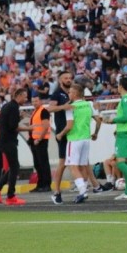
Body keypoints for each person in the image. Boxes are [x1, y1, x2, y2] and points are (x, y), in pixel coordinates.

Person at [57, 82, 100, 204]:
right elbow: (98, 120)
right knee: (82, 166)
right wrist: (95, 133)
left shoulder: (71, 107)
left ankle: (82, 191)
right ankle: (83, 189)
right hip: (86, 139)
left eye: (70, 92)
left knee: (73, 166)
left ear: (75, 94)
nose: (68, 94)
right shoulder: (89, 104)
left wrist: (60, 134)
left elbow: (69, 126)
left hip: (74, 139)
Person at [101, 75, 127, 200]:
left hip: (125, 133)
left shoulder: (125, 99)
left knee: (119, 162)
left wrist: (111, 120)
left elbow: (125, 117)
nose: (117, 87)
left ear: (121, 86)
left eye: (118, 85)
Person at [0, 87, 31, 206]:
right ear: (18, 96)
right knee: (14, 167)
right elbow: (13, 126)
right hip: (8, 141)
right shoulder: (13, 107)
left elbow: (7, 123)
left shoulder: (7, 106)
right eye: (25, 96)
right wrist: (29, 127)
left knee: (13, 167)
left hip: (4, 140)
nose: (26, 98)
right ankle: (10, 196)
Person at [47, 71, 73, 205]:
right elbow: (50, 109)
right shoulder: (57, 93)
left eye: (70, 78)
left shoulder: (73, 92)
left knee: (82, 162)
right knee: (63, 163)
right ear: (60, 80)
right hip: (62, 131)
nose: (69, 80)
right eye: (66, 78)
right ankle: (56, 191)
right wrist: (64, 106)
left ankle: (91, 187)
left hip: (74, 132)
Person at [28, 93, 53, 193]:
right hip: (35, 141)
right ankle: (40, 184)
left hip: (41, 140)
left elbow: (45, 126)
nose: (34, 103)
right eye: (33, 101)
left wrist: (39, 139)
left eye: (36, 101)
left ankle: (46, 184)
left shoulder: (43, 111)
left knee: (43, 163)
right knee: (38, 164)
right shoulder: (36, 111)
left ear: (41, 101)